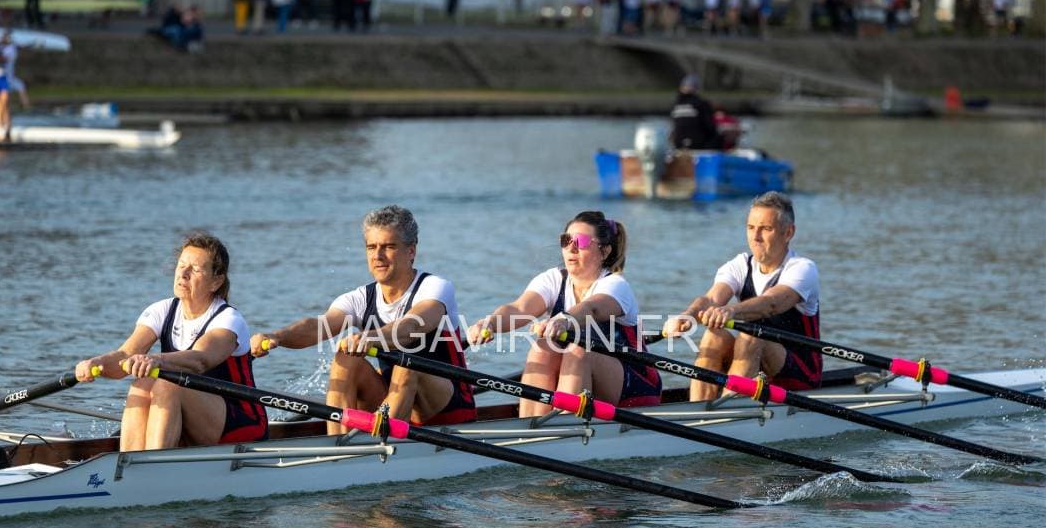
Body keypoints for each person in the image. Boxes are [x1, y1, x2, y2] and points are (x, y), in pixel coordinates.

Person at [251, 205, 476, 435]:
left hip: (447, 407)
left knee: (407, 364)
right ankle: (338, 444)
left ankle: (383, 442)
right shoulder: (359, 298)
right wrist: (277, 336)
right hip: (394, 401)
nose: (377, 256)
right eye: (371, 247)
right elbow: (318, 326)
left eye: (388, 247)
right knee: (345, 358)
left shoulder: (435, 288)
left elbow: (410, 327)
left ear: (411, 251)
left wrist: (371, 338)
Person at [74, 233, 268, 452]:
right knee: (142, 384)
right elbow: (125, 356)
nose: (183, 274)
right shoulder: (161, 310)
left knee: (168, 384)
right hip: (195, 419)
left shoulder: (229, 319)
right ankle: (129, 460)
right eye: (181, 266)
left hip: (241, 423)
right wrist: (96, 363)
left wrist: (155, 360)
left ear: (216, 281)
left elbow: (200, 360)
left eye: (195, 270)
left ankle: (154, 464)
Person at [467, 211, 661, 419]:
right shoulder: (553, 279)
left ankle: (564, 426)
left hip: (635, 386)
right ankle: (532, 424)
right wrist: (490, 323)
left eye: (581, 241)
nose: (571, 248)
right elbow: (520, 308)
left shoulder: (615, 285)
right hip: (584, 387)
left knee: (578, 350)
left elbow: (592, 308)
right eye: (566, 240)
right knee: (543, 348)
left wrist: (564, 319)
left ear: (604, 252)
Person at [661, 192, 821, 402]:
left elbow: (771, 303)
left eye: (766, 229)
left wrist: (730, 311)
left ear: (788, 232)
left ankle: (729, 411)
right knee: (714, 335)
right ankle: (699, 408)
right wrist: (688, 316)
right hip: (754, 366)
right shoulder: (740, 265)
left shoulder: (802, 268)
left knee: (750, 337)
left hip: (798, 374)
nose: (755, 237)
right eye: (751, 227)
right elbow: (711, 299)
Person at [669, 73, 719, 150]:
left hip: (679, 145)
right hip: (699, 145)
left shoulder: (675, 105)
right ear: (696, 89)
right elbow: (710, 127)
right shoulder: (701, 103)